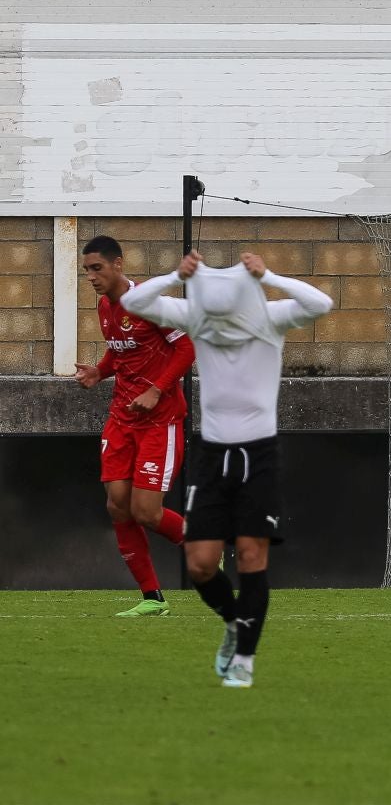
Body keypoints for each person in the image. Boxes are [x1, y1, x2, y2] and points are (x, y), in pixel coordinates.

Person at [122, 250, 334, 688]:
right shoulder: (198, 318)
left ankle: (244, 661)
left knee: (252, 555)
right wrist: (174, 275)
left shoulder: (270, 318)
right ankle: (235, 622)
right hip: (212, 455)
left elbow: (321, 303)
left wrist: (270, 275)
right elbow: (134, 302)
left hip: (259, 454)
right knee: (200, 563)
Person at [73, 236, 196, 618]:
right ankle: (152, 598)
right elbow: (121, 350)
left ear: (118, 264)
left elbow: (187, 348)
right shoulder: (104, 306)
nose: (91, 277)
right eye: (86, 270)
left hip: (160, 420)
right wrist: (99, 371)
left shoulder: (150, 303)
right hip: (122, 418)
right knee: (117, 505)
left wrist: (157, 390)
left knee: (146, 512)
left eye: (97, 268)